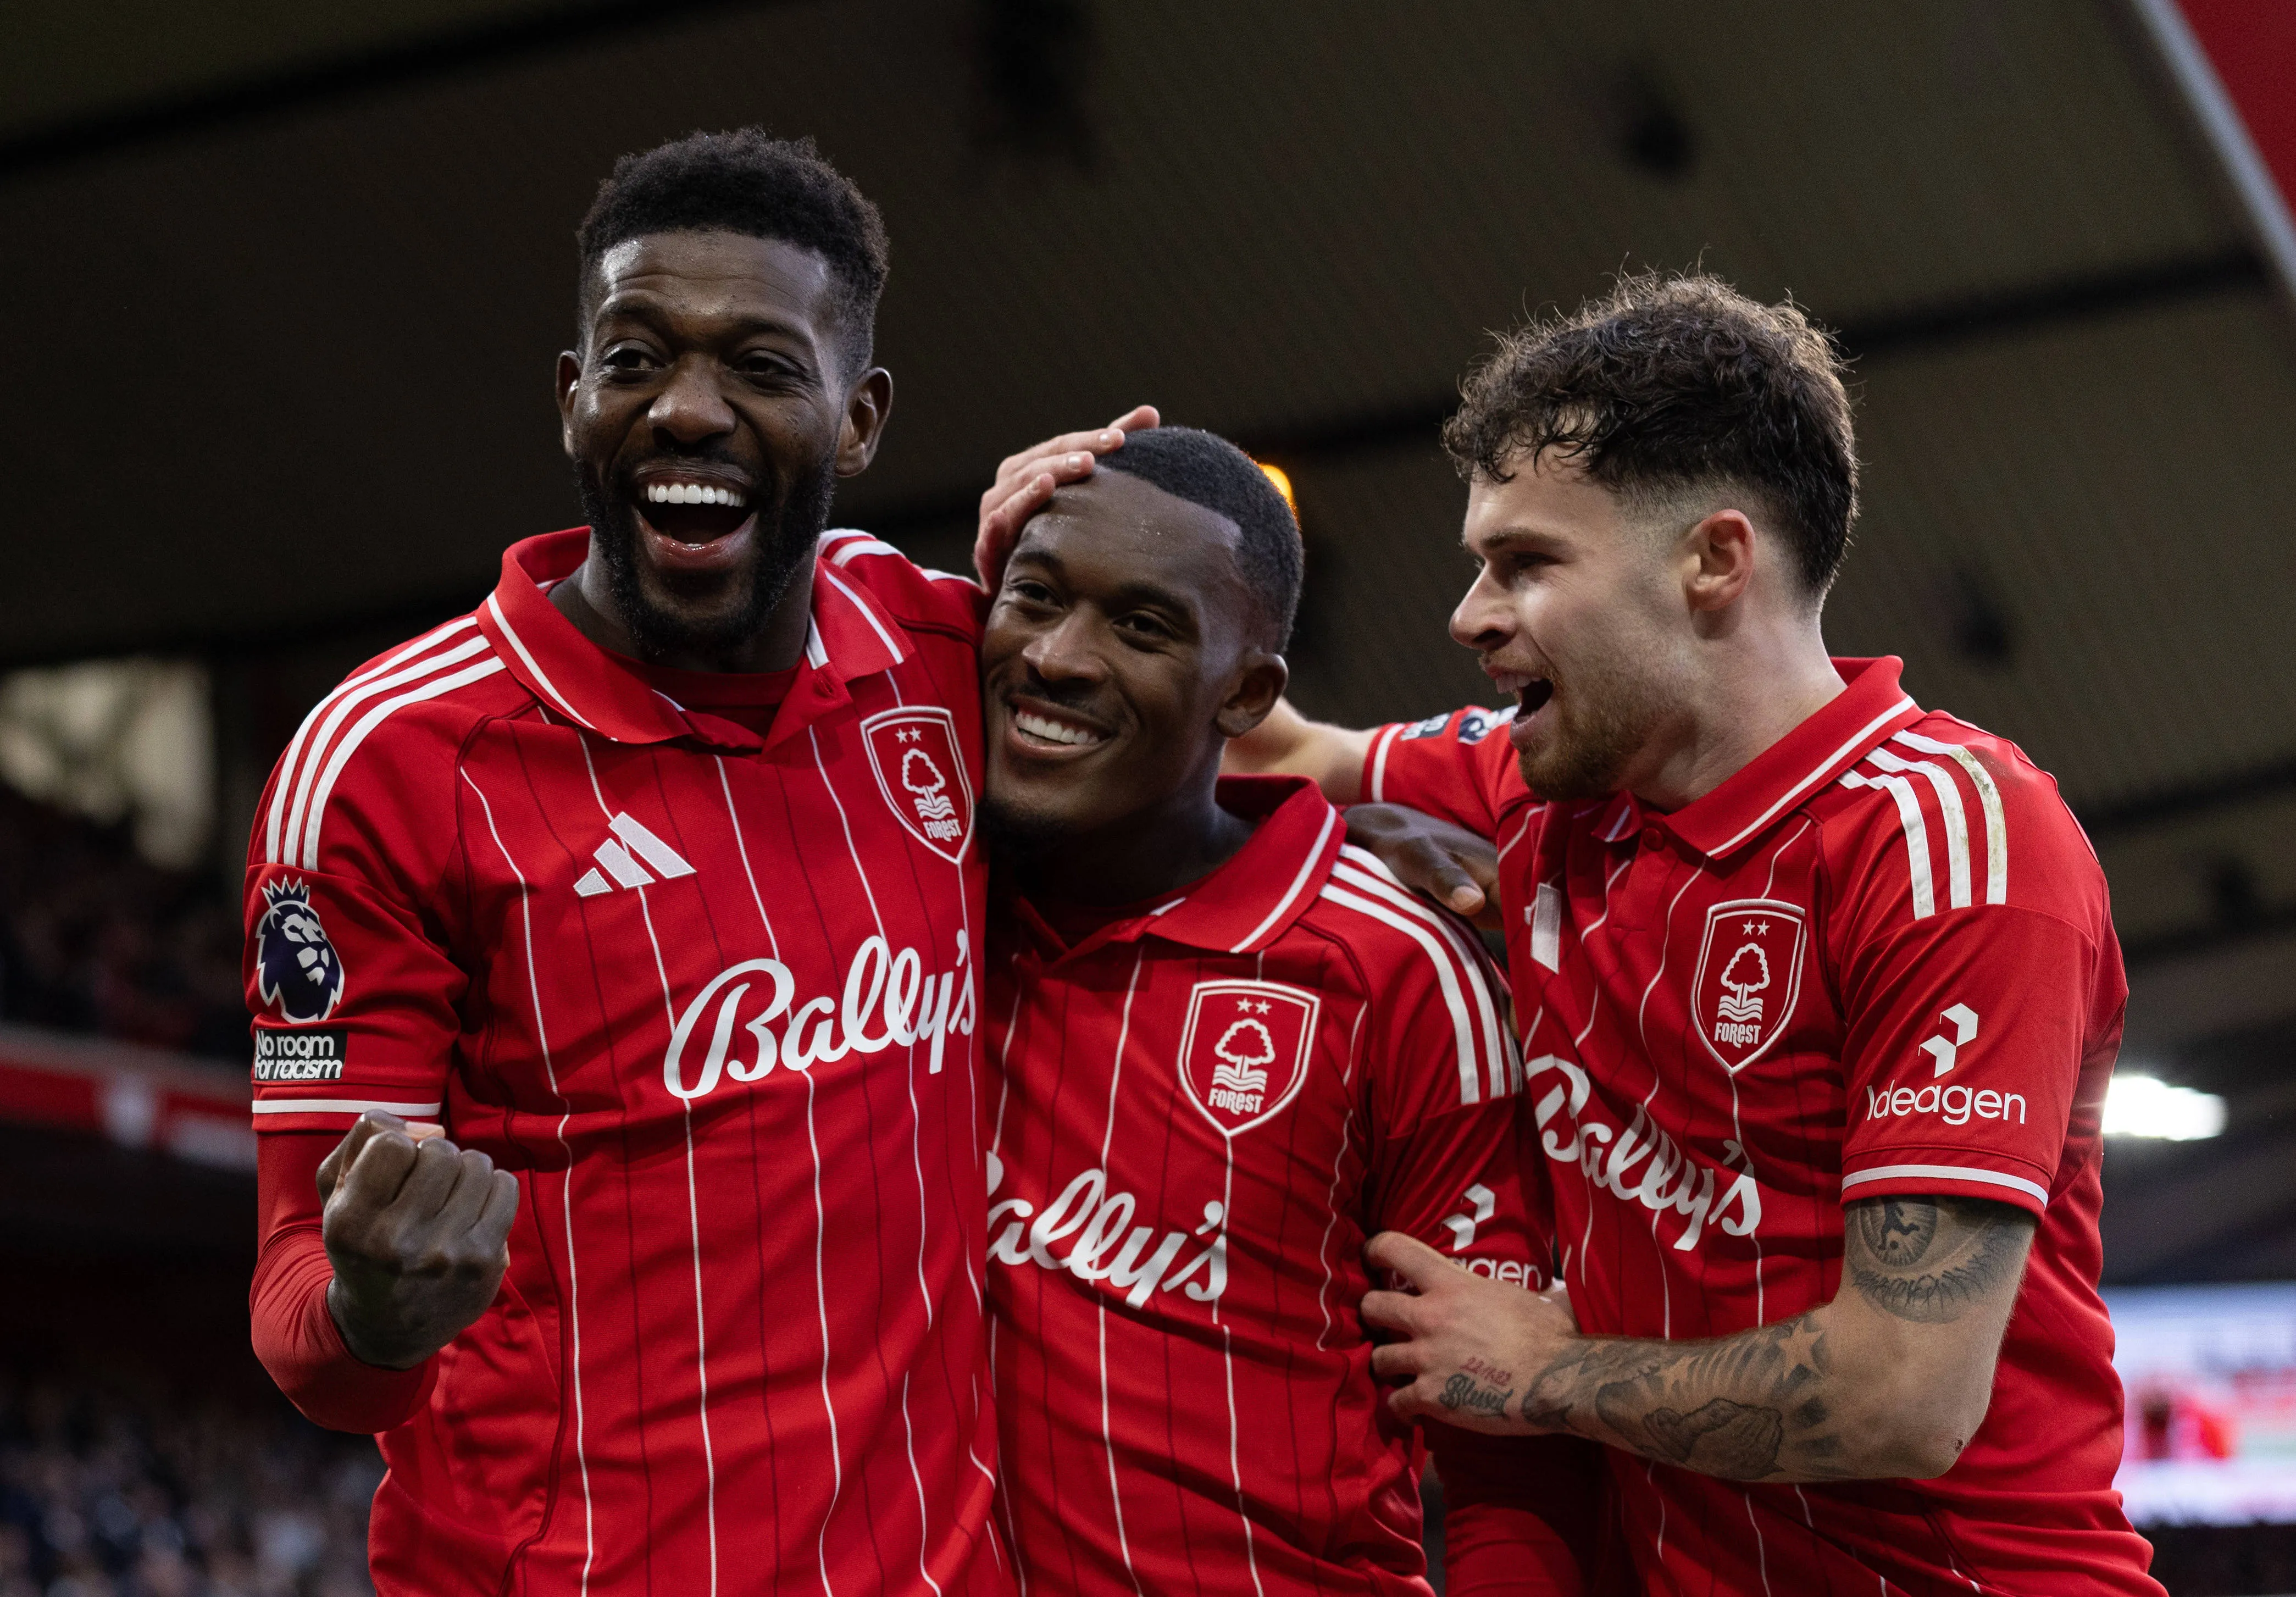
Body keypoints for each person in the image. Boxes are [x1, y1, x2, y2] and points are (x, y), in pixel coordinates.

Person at [1000, 275, 2162, 1594]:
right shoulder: (1543, 793)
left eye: (1526, 563)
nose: (1469, 616)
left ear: (1713, 561)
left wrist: (1549, 1372)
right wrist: (1025, 557)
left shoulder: (1950, 843)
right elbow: (1237, 723)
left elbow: (1906, 1395)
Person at [241, 128, 1150, 1595]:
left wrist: (1080, 580)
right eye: (637, 358)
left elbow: (1192, 742)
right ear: (570, 396)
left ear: (858, 420)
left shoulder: (930, 655)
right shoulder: (389, 763)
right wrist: (377, 1314)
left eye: (764, 369)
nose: (687, 410)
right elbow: (304, 1320)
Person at [974, 425, 1601, 1595]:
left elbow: (1505, 1455)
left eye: (1142, 625)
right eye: (1036, 597)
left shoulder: (1391, 965)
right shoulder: (899, 902)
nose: (1059, 656)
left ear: (1248, 692)